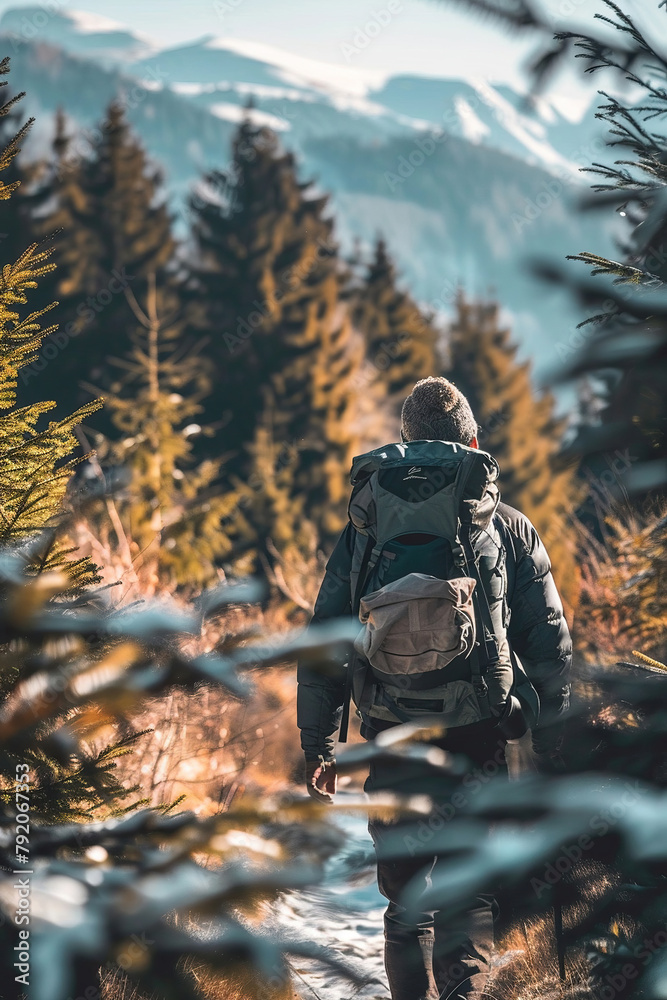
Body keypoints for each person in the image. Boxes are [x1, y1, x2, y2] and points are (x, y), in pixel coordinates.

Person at [296, 376, 572, 1000]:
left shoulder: (367, 526)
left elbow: (327, 636)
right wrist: (556, 737)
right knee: (468, 893)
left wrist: (317, 742)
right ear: (471, 443)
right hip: (479, 732)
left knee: (406, 899)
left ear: (406, 445)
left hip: (395, 729)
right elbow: (549, 643)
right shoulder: (506, 526)